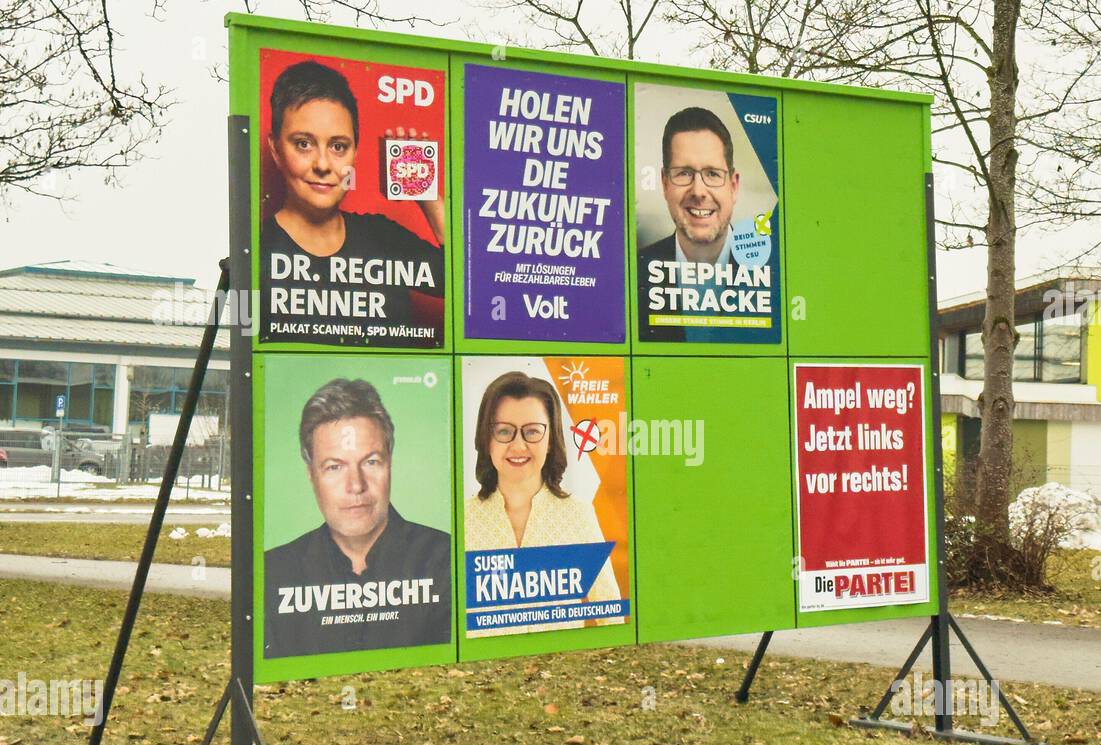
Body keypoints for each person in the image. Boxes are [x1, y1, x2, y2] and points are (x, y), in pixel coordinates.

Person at [260, 60, 446, 347]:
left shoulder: (382, 237)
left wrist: (428, 195)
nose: (323, 165)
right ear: (275, 149)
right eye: (303, 144)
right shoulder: (259, 251)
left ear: (354, 153)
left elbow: (470, 288)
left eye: (338, 147)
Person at [263, 378, 451, 658]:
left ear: (390, 463)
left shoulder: (447, 561)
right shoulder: (273, 573)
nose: (356, 485)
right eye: (335, 467)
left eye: (371, 462)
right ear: (311, 476)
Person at [464, 371, 623, 635]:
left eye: (532, 432)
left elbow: (611, 616)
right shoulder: (460, 519)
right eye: (504, 431)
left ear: (551, 440)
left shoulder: (578, 515)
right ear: (486, 439)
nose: (518, 445)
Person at [636, 105, 742, 342]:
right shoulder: (633, 275)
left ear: (734, 186)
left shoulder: (771, 272)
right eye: (684, 173)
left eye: (713, 174)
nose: (699, 191)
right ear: (664, 183)